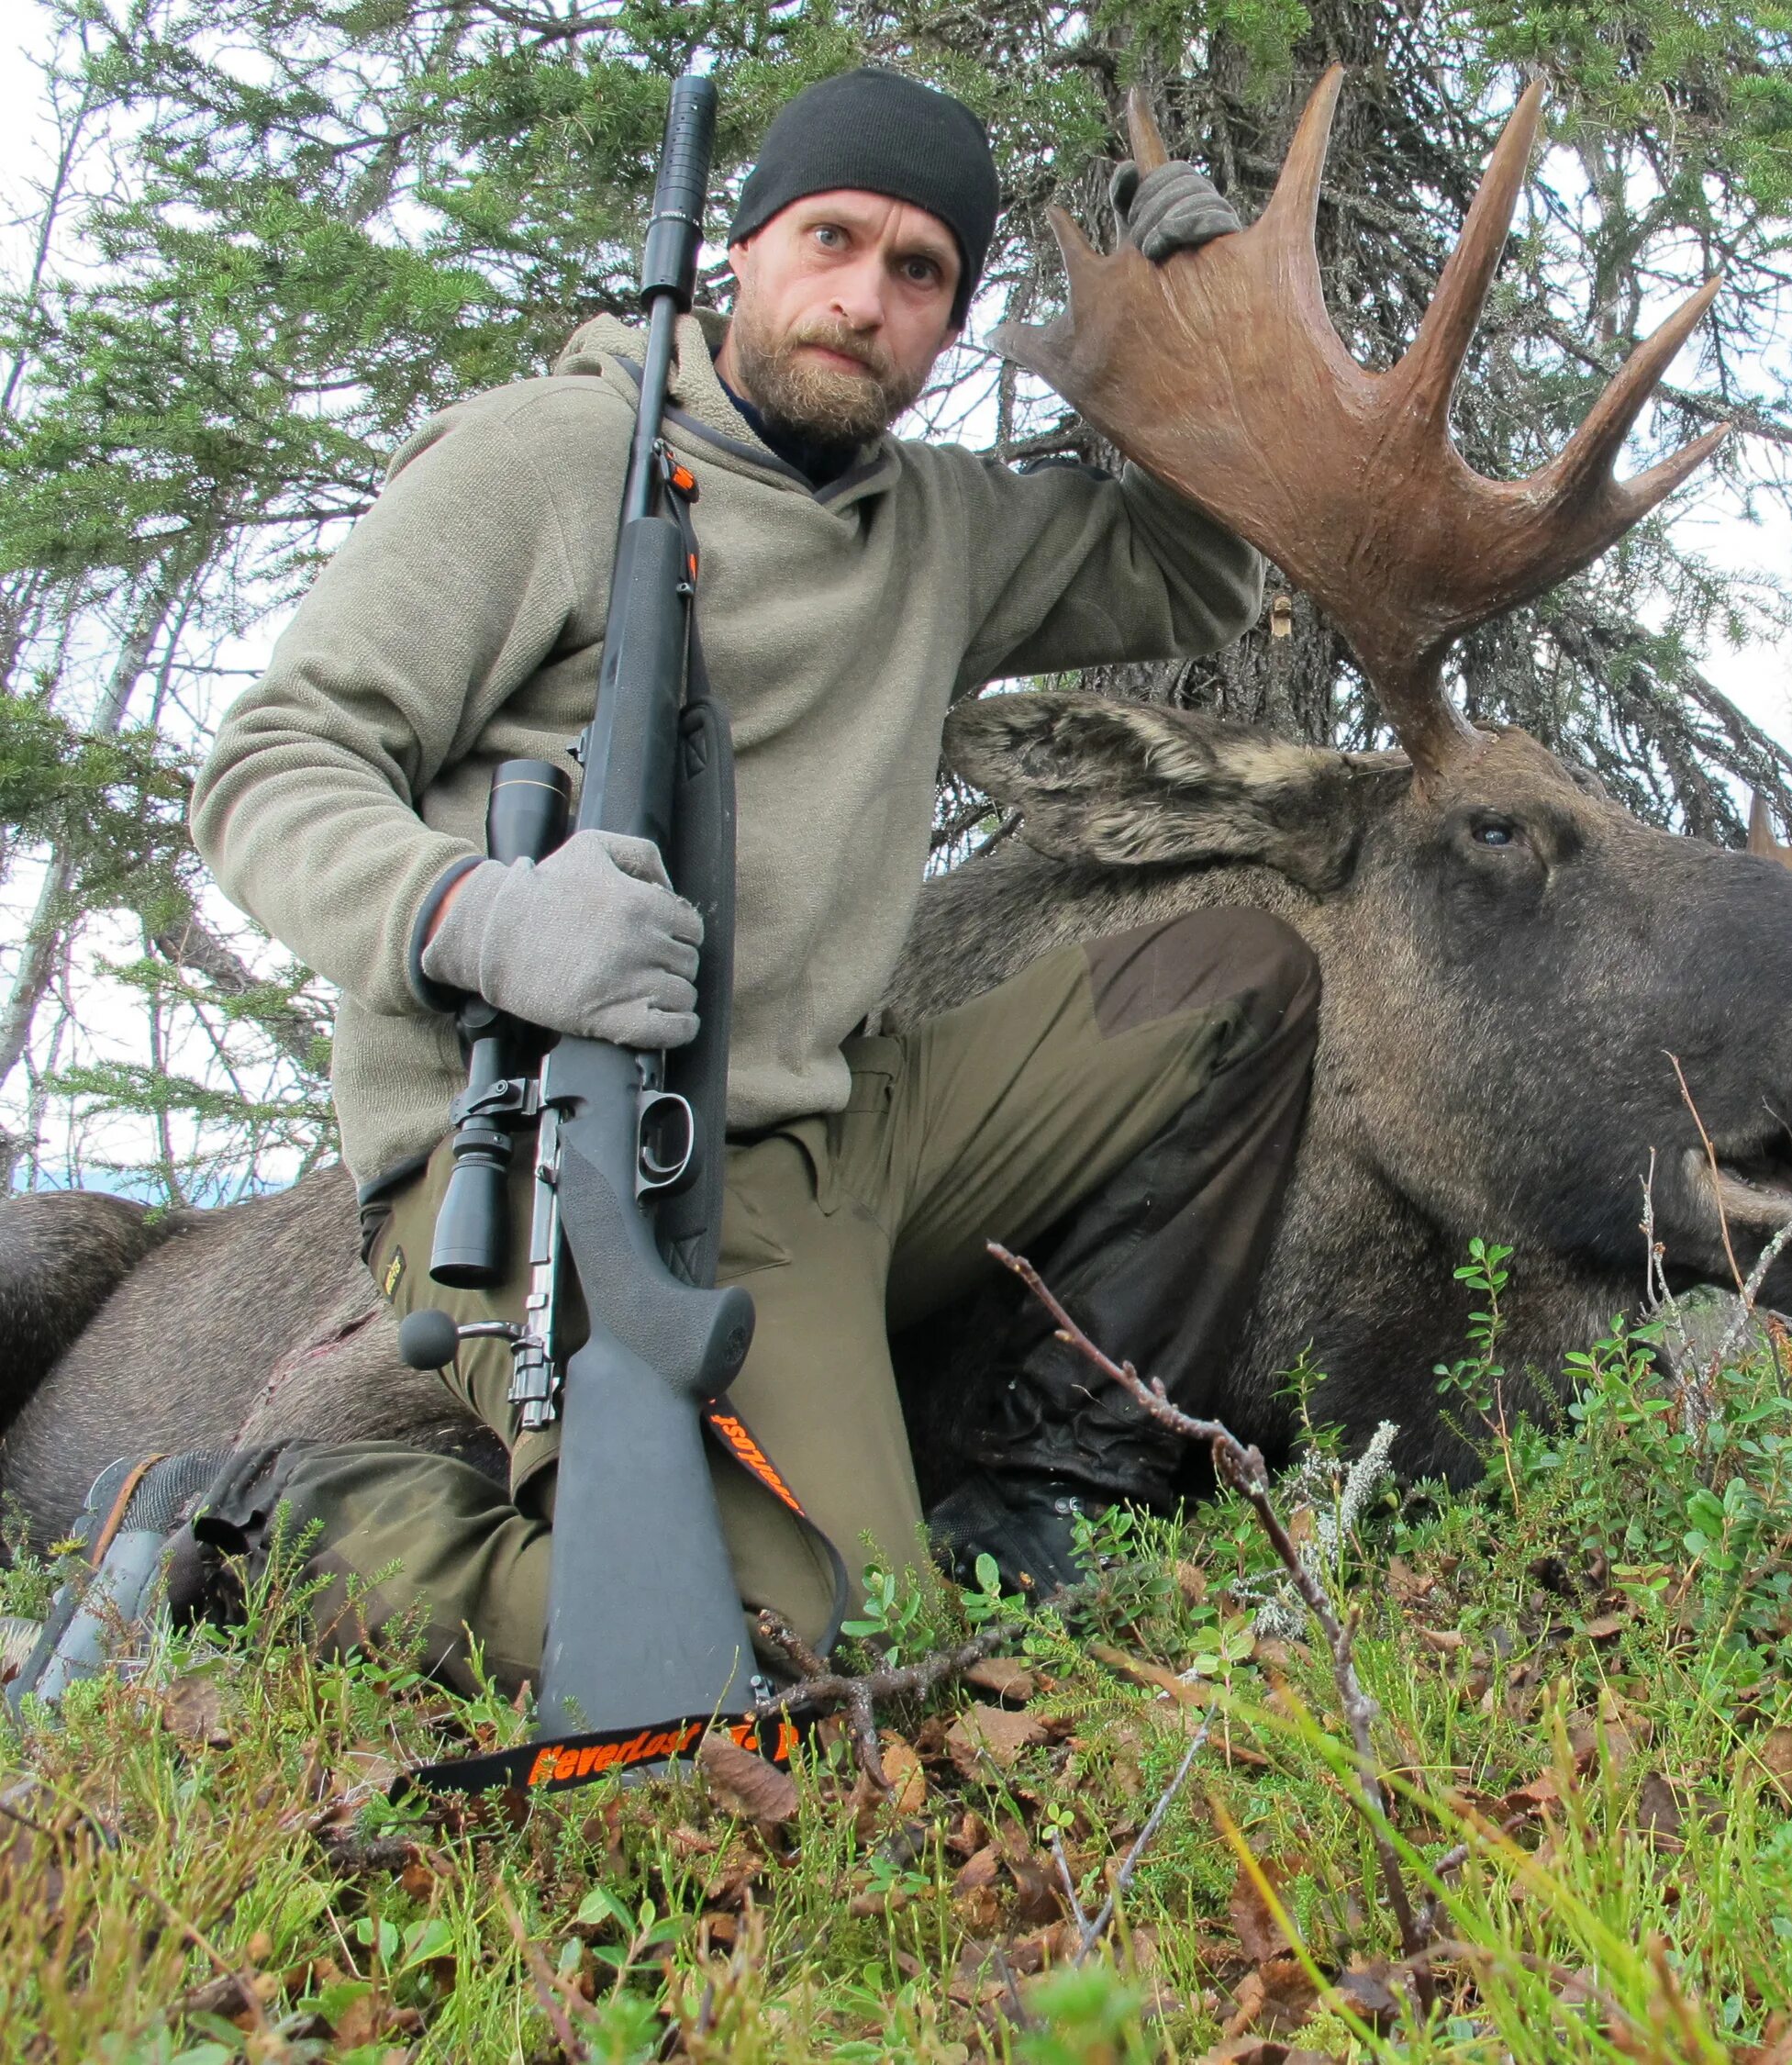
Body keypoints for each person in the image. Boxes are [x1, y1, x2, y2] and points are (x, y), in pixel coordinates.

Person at [39, 68, 1320, 1700]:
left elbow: (1191, 574)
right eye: (832, 238)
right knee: (816, 1650)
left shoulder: (937, 524)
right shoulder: (544, 463)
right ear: (746, 247)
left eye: (920, 272)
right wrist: (481, 919)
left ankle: (1049, 1495)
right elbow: (269, 766)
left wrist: (1202, 345)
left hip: (847, 1115)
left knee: (1239, 975)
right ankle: (264, 1515)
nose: (862, 299)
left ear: (947, 324)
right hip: (561, 1142)